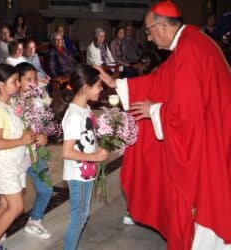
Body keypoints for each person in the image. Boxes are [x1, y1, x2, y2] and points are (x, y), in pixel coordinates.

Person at [97, 1, 231, 249]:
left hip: (210, 142)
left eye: (149, 31)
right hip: (217, 132)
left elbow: (186, 114)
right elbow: (161, 80)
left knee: (205, 210)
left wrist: (154, 110)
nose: (149, 38)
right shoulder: (192, 42)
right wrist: (118, 85)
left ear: (161, 27)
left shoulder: (189, 50)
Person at [0, 64, 35, 250]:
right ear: (2, 85)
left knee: (5, 204)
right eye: (14, 81)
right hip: (3, 164)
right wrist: (22, 140)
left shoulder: (9, 104)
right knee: (17, 207)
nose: (19, 84)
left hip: (14, 161)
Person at [60, 65, 108, 250]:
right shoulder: (73, 115)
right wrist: (95, 156)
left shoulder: (85, 108)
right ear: (86, 88)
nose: (101, 89)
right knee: (78, 218)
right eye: (98, 86)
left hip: (86, 172)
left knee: (83, 214)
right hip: (77, 174)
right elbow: (67, 151)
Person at [16, 63, 52, 239]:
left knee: (46, 189)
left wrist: (43, 137)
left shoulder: (38, 98)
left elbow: (43, 122)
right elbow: (13, 130)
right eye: (28, 79)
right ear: (18, 81)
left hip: (36, 153)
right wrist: (34, 136)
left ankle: (35, 220)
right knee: (13, 201)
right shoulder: (13, 102)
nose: (33, 83)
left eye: (35, 79)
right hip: (17, 155)